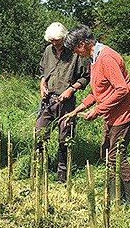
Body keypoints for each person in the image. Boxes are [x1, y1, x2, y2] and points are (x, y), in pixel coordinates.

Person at [60, 24, 130, 205]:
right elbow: (97, 92)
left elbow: (122, 90)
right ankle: (115, 196)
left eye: (75, 50)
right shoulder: (94, 59)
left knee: (116, 155)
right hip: (113, 112)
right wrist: (77, 110)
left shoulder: (106, 58)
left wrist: (97, 110)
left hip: (125, 112)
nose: (75, 54)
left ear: (82, 44)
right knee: (107, 153)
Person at [36, 22, 90, 183]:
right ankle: (40, 166)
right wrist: (42, 85)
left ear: (64, 38)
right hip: (48, 101)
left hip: (66, 101)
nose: (54, 43)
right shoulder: (47, 51)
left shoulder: (74, 53)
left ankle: (62, 172)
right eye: (51, 40)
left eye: (57, 40)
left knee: (65, 137)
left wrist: (71, 89)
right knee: (39, 132)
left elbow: (86, 77)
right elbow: (41, 71)